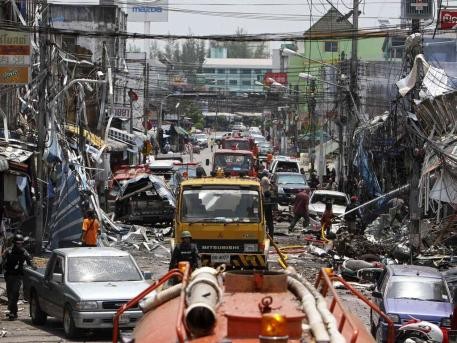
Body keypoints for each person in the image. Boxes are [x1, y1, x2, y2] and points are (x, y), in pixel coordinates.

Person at [2, 234, 36, 320]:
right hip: (9, 275)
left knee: (15, 293)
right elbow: (2, 261)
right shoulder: (8, 251)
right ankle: (13, 312)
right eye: (17, 243)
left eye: (21, 243)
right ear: (14, 243)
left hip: (18, 276)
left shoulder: (24, 252)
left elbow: (30, 262)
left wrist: (33, 266)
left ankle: (13, 312)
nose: (19, 245)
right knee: (10, 295)